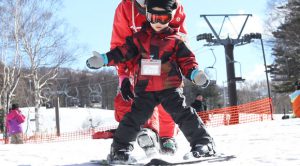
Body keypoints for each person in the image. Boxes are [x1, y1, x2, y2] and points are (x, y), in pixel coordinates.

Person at [86, 0, 215, 163]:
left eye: (164, 18)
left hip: (169, 87)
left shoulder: (175, 40)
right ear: (147, 16)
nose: (159, 23)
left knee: (184, 114)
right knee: (133, 118)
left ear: (171, 17)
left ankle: (203, 144)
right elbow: (121, 52)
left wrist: (195, 73)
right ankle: (119, 149)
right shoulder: (138, 39)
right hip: (146, 88)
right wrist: (105, 60)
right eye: (154, 17)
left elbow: (187, 60)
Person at [109, 0, 187, 156]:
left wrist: (181, 63)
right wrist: (123, 75)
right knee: (138, 100)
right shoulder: (125, 8)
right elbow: (119, 42)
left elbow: (181, 35)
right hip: (138, 61)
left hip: (166, 60)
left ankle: (167, 137)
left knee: (169, 96)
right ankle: (146, 133)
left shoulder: (173, 5)